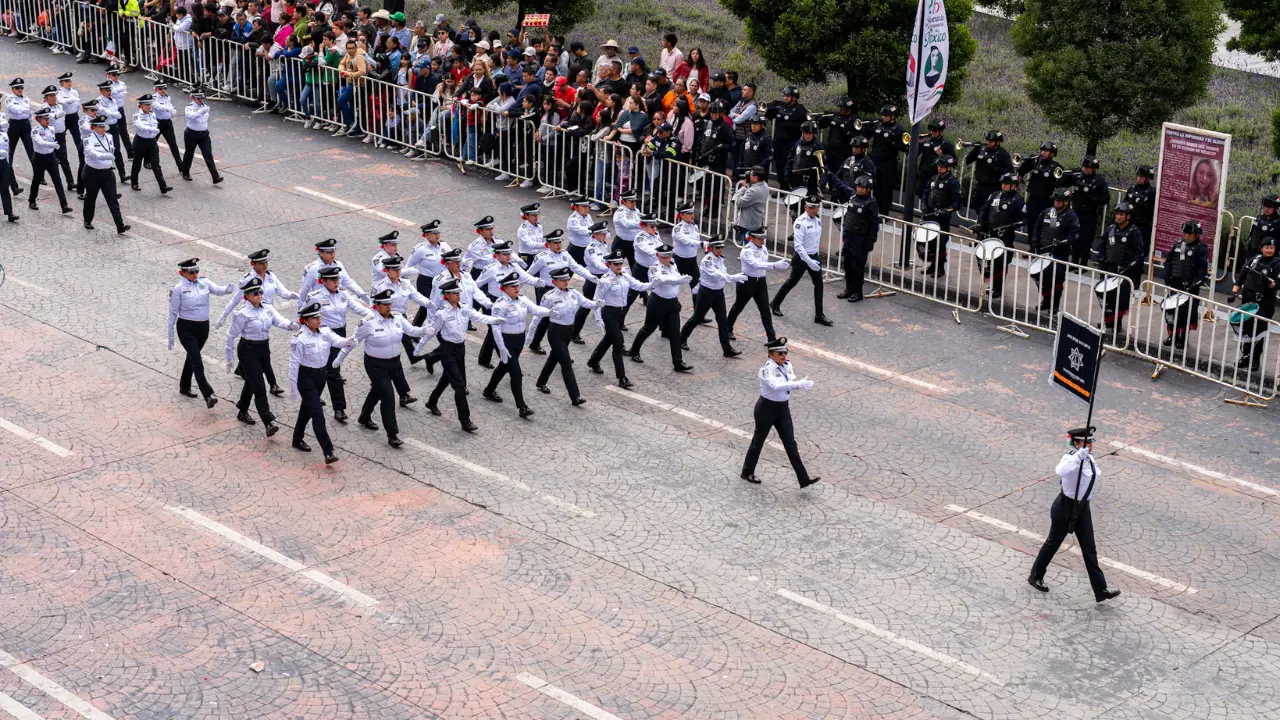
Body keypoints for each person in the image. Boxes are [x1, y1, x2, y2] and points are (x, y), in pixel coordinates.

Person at [1028, 426, 1122, 603]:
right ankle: (1035, 576)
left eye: (1090, 443)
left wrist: (1084, 456)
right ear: (1077, 443)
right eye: (1085, 443)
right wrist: (1078, 456)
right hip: (1065, 506)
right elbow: (1060, 471)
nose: (1089, 446)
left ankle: (1100, 590)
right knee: (1053, 543)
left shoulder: (1089, 458)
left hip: (1082, 508)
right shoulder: (1071, 458)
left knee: (1089, 549)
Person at [335, 289, 428, 448]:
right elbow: (352, 341)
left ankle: (364, 417)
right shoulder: (368, 322)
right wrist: (339, 359)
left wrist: (425, 330)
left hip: (394, 363)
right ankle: (392, 435)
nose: (389, 306)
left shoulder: (397, 317)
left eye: (390, 303)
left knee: (378, 391)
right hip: (375, 365)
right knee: (388, 398)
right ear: (376, 306)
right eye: (384, 304)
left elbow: (412, 331)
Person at [412, 278, 501, 432]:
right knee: (459, 386)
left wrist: (495, 320)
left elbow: (479, 317)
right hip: (447, 349)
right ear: (446, 295)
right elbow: (431, 332)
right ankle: (465, 420)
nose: (458, 295)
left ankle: (432, 401)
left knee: (447, 377)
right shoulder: (442, 314)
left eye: (458, 292)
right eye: (454, 293)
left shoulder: (465, 308)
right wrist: (418, 348)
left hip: (460, 348)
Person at [216, 248, 299, 395]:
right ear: (253, 264)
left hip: (268, 315)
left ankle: (242, 368)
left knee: (258, 348)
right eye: (261, 262)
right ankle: (273, 384)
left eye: (266, 261)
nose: (265, 265)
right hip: (251, 317)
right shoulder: (248, 280)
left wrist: (295, 295)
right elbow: (234, 301)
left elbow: (283, 293)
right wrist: (222, 317)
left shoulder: (271, 276)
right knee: (262, 352)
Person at [740, 337, 820, 488]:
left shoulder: (787, 365)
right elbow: (776, 386)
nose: (783, 356)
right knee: (759, 441)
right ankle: (747, 472)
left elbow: (788, 379)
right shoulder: (765, 370)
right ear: (770, 354)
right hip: (766, 408)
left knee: (790, 443)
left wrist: (796, 382)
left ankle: (803, 478)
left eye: (785, 352)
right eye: (779, 353)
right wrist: (798, 385)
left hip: (783, 408)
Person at [224, 276, 297, 434]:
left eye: (260, 292)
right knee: (259, 387)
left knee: (252, 381)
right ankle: (268, 421)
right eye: (255, 293)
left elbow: (279, 321)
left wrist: (290, 325)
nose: (259, 295)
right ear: (247, 296)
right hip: (248, 351)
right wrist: (229, 359)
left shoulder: (268, 308)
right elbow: (231, 335)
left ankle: (242, 409)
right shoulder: (242, 314)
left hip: (263, 349)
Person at [304, 266, 374, 423]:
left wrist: (372, 316)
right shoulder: (315, 297)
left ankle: (339, 408)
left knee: (333, 370)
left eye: (337, 279)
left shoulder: (343, 295)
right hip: (322, 335)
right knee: (321, 369)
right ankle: (315, 397)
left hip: (340, 333)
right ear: (323, 281)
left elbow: (358, 309)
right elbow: (305, 315)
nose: (336, 282)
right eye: (333, 280)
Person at [290, 302, 357, 463]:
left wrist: (350, 340)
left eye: (319, 316)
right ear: (305, 320)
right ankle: (328, 451)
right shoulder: (299, 338)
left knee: (307, 409)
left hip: (321, 375)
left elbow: (338, 341)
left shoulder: (325, 331)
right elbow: (293, 364)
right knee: (318, 414)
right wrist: (293, 388)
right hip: (306, 377)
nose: (318, 319)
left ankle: (297, 438)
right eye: (314, 317)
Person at [483, 271, 552, 418]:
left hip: (519, 340)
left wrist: (551, 312)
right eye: (512, 286)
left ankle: (489, 390)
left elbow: (536, 310)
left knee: (504, 366)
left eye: (517, 285)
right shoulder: (500, 305)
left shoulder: (522, 300)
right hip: (506, 341)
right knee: (515, 373)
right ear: (504, 288)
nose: (516, 288)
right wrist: (501, 348)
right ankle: (522, 407)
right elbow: (495, 328)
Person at [168, 258, 233, 408]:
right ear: (182, 273)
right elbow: (172, 313)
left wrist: (228, 289)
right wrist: (170, 335)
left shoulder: (205, 282)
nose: (195, 274)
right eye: (191, 272)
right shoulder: (177, 289)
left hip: (203, 328)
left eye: (197, 271)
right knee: (197, 361)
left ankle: (184, 386)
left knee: (192, 357)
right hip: (186, 328)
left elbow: (218, 290)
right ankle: (208, 394)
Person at [535, 266, 600, 403]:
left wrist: (597, 304)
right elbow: (539, 313)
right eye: (562, 280)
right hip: (556, 331)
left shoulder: (573, 293)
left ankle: (541, 382)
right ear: (554, 282)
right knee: (566, 364)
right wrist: (530, 335)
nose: (565, 282)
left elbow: (585, 302)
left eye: (566, 279)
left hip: (568, 331)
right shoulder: (549, 297)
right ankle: (575, 396)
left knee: (554, 358)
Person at [588, 250, 651, 388]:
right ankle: (622, 377)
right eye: (615, 264)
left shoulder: (625, 276)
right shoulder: (605, 280)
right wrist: (599, 321)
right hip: (609, 313)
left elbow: (639, 285)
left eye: (621, 263)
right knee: (618, 344)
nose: (619, 266)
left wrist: (654, 284)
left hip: (620, 313)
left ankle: (593, 361)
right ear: (608, 264)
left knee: (609, 339)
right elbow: (596, 302)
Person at [627, 244, 694, 370]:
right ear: (658, 256)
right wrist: (678, 280)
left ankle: (678, 362)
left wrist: (678, 281)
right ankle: (634, 350)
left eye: (668, 256)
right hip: (658, 302)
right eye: (663, 257)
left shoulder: (673, 265)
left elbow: (675, 278)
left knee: (674, 333)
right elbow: (662, 279)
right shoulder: (653, 268)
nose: (666, 259)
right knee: (648, 329)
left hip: (672, 302)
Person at [476, 241, 542, 366]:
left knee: (493, 332)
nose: (508, 256)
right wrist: (483, 301)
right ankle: (509, 363)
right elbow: (476, 285)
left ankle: (485, 359)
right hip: (494, 303)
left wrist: (538, 282)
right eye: (504, 254)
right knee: (496, 332)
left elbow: (526, 277)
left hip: (509, 302)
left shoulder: (514, 267)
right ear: (497, 255)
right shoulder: (491, 269)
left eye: (509, 253)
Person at [526, 229, 592, 353]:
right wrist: (529, 284)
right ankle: (535, 343)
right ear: (548, 244)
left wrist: (591, 277)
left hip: (562, 290)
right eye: (555, 243)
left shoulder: (565, 254)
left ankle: (561, 351)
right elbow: (528, 274)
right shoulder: (541, 257)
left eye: (560, 242)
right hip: (547, 290)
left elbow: (576, 267)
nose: (558, 245)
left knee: (561, 319)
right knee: (545, 319)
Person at [679, 236, 746, 356]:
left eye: (721, 247)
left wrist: (732, 278)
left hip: (718, 293)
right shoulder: (707, 261)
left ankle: (727, 349)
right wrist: (733, 278)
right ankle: (682, 338)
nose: (720, 250)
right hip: (707, 293)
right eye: (717, 247)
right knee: (697, 318)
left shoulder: (720, 259)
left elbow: (723, 273)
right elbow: (719, 275)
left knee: (722, 321)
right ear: (711, 248)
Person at [769, 196, 830, 324]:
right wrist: (809, 261)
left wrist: (815, 258)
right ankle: (775, 303)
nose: (814, 210)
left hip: (814, 256)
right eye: (811, 207)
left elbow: (815, 240)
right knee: (792, 282)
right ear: (805, 207)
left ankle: (819, 315)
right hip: (802, 258)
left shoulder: (817, 221)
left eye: (816, 207)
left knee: (819, 285)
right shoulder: (800, 222)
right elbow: (798, 246)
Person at [727, 227, 789, 343]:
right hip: (747, 282)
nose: (762, 240)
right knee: (738, 307)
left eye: (763, 238)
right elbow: (757, 264)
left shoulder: (763, 248)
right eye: (759, 238)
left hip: (760, 282)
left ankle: (771, 339)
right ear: (752, 238)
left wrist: (776, 266)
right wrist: (775, 265)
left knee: (765, 310)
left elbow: (764, 264)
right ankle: (727, 328)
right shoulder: (746, 251)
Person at [828, 174, 880, 302]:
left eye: (863, 187)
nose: (860, 189)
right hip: (849, 236)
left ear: (868, 189)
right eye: (859, 187)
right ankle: (848, 288)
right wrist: (829, 175)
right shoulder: (852, 195)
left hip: (861, 239)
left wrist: (871, 241)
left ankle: (858, 292)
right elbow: (840, 185)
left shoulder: (871, 203)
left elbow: (875, 224)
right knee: (847, 264)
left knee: (858, 266)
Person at [1232, 238, 1280, 372]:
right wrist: (1234, 292)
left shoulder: (1277, 263)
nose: (1269, 250)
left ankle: (1255, 360)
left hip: (1264, 302)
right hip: (1248, 299)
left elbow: (1278, 283)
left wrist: (1270, 283)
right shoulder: (1254, 260)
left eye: (1272, 248)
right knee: (1246, 329)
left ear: (1275, 249)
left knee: (1259, 331)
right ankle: (1245, 356)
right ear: (1261, 248)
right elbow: (1242, 275)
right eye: (1267, 247)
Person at [975, 173, 1026, 299]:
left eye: (1006, 183)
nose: (1003, 185)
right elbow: (984, 209)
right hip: (991, 233)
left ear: (1013, 186)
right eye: (1002, 183)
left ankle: (997, 289)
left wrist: (1012, 226)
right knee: (985, 259)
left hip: (1005, 236)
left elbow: (1024, 219)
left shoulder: (1018, 200)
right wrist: (980, 222)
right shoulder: (995, 195)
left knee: (1000, 262)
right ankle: (988, 282)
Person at [1162, 220, 1211, 350]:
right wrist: (1167, 275)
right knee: (1171, 311)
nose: (1187, 236)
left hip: (1189, 286)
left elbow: (1202, 273)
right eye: (1185, 233)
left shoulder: (1201, 249)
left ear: (1196, 235)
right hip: (1174, 283)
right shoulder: (1178, 244)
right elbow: (1168, 261)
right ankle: (1172, 335)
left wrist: (1193, 285)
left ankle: (1183, 338)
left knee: (1186, 313)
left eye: (1190, 234)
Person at [1097, 203, 1145, 331]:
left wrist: (1131, 266)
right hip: (1108, 268)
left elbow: (1139, 253)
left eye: (1121, 214)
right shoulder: (1110, 229)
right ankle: (1108, 320)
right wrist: (1101, 261)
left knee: (1119, 298)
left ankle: (1117, 323)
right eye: (1117, 214)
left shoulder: (1134, 232)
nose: (1118, 216)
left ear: (1128, 216)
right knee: (1105, 296)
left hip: (1124, 271)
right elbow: (1101, 246)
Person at [1028, 188, 1078, 311]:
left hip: (1059, 254)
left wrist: (1064, 243)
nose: (1056, 202)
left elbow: (1075, 235)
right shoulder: (1048, 212)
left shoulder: (1071, 216)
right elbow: (1037, 227)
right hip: (1044, 252)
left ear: (1066, 202)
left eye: (1059, 200)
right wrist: (1034, 241)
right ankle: (1046, 301)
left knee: (1057, 281)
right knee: (1042, 280)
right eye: (1055, 200)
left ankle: (1055, 304)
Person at [80, 116, 130, 233]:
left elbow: (111, 150)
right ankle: (87, 220)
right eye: (100, 127)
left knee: (112, 199)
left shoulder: (109, 137)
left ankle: (120, 226)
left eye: (104, 126)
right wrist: (103, 156)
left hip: (107, 173)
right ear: (94, 128)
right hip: (92, 172)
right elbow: (90, 152)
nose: (103, 128)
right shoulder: (88, 139)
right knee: (91, 198)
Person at [300, 237, 371, 309]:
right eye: (328, 252)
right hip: (322, 305)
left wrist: (363, 295)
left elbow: (348, 282)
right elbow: (304, 290)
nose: (332, 255)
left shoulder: (338, 265)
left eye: (333, 251)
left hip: (338, 303)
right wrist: (300, 310)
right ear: (321, 253)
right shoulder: (313, 269)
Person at [862, 104, 906, 215]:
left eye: (887, 115)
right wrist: (868, 127)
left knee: (885, 189)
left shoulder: (898, 129)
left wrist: (892, 143)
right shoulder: (878, 125)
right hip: (876, 160)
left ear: (893, 116)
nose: (884, 117)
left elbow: (904, 146)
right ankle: (875, 210)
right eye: (883, 115)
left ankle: (884, 213)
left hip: (888, 162)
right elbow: (866, 137)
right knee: (875, 187)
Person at [26, 108, 72, 214]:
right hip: (39, 158)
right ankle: (32, 200)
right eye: (45, 119)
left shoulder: (51, 129)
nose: (47, 120)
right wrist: (52, 144)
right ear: (39, 119)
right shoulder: (35, 130)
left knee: (58, 181)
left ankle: (64, 205)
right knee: (36, 180)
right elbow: (40, 142)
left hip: (50, 157)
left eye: (48, 118)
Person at [920, 156, 960, 276]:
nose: (939, 169)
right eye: (938, 166)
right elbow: (926, 192)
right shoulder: (933, 179)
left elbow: (957, 203)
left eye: (942, 167)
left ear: (948, 168)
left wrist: (948, 209)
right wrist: (923, 204)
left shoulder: (953, 182)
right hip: (930, 214)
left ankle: (940, 268)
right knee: (930, 242)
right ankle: (932, 265)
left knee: (940, 243)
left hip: (942, 217)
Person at [406, 219, 450, 327]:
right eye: (434, 233)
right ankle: (416, 329)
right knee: (428, 306)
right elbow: (408, 265)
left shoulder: (444, 246)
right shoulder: (420, 249)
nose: (437, 235)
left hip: (441, 281)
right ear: (426, 235)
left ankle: (439, 327)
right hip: (425, 282)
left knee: (443, 304)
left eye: (438, 233)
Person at [763, 87, 807, 190]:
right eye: (785, 96)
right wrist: (770, 107)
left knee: (788, 164)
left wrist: (789, 125)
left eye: (788, 96)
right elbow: (769, 115)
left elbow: (803, 125)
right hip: (779, 141)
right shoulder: (781, 106)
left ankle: (789, 186)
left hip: (791, 141)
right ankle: (782, 186)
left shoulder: (800, 109)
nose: (785, 98)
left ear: (794, 97)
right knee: (779, 164)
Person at [1069, 157, 1109, 265]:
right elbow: (1064, 182)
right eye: (1084, 167)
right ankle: (1074, 261)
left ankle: (1083, 262)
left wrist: (1093, 199)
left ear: (1094, 169)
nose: (1085, 169)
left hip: (1089, 213)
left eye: (1088, 168)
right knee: (1075, 236)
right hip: (1076, 211)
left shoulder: (1099, 181)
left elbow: (1105, 198)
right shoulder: (1077, 177)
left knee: (1086, 238)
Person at [129, 95, 172, 194]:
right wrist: (151, 129)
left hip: (152, 142)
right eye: (146, 104)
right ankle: (134, 182)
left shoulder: (152, 114)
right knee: (137, 163)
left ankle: (163, 187)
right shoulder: (136, 116)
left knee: (156, 165)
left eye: (150, 104)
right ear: (140, 105)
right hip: (140, 142)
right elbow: (139, 126)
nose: (149, 106)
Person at [964, 129, 1012, 216]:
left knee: (988, 210)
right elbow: (968, 160)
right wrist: (975, 149)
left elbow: (1009, 170)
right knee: (977, 207)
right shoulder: (981, 149)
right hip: (980, 185)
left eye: (991, 141)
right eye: (987, 140)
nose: (988, 142)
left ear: (997, 142)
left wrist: (996, 168)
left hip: (993, 187)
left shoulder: (1002, 153)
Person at [1018, 141, 1062, 232]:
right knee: (1031, 224)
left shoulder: (1056, 167)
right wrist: (1027, 162)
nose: (1043, 153)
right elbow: (1020, 171)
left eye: (1046, 151)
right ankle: (1031, 245)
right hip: (1033, 199)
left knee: (1045, 226)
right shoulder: (1035, 162)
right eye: (1042, 151)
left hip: (1046, 200)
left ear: (1052, 153)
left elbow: (1061, 183)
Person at [181, 92, 223, 184]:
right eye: (198, 98)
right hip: (191, 134)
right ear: (192, 98)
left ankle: (215, 177)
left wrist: (203, 111)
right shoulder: (189, 107)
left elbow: (204, 119)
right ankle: (185, 172)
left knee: (208, 155)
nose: (200, 100)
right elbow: (191, 117)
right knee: (189, 153)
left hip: (203, 135)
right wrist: (202, 111)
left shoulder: (204, 106)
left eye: (201, 98)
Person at [39, 86, 73, 195]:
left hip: (61, 136)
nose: (54, 97)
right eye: (51, 96)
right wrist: (57, 115)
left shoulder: (59, 106)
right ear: (46, 97)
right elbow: (50, 117)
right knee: (47, 159)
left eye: (54, 95)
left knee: (64, 159)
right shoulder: (44, 108)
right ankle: (40, 177)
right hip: (51, 137)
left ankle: (70, 182)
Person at [94, 81, 127, 183]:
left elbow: (117, 112)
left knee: (117, 150)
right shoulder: (97, 102)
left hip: (114, 127)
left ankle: (123, 174)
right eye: (107, 90)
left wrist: (115, 114)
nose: (109, 92)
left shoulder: (113, 100)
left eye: (110, 89)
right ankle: (102, 175)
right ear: (101, 91)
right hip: (105, 129)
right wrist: (114, 114)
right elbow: (104, 112)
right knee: (105, 151)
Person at [5, 78, 34, 193]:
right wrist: (24, 110)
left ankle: (39, 177)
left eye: (21, 87)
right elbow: (15, 110)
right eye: (17, 88)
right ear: (12, 89)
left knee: (32, 152)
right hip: (14, 126)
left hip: (26, 125)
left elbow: (29, 113)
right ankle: (14, 186)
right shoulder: (9, 99)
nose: (20, 90)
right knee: (9, 155)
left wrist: (24, 112)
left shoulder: (27, 99)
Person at [55, 74, 83, 191]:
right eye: (66, 81)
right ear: (61, 83)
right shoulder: (58, 93)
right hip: (64, 118)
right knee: (59, 139)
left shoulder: (74, 92)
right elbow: (63, 103)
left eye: (69, 80)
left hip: (74, 117)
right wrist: (71, 100)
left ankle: (83, 155)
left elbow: (76, 106)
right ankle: (56, 155)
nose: (69, 83)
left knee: (79, 140)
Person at [818, 97, 857, 176]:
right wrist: (821, 119)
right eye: (840, 108)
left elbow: (855, 134)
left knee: (840, 173)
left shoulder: (854, 119)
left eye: (842, 108)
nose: (840, 109)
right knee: (829, 171)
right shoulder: (835, 115)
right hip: (831, 149)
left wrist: (843, 128)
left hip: (843, 150)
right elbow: (823, 125)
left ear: (848, 109)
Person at [731, 166, 768, 245]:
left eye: (750, 174)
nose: (748, 175)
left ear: (756, 178)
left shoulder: (753, 191)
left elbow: (739, 202)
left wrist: (743, 188)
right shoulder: (764, 185)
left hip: (749, 224)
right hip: (756, 220)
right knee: (753, 245)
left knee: (748, 245)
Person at [151, 82, 184, 170]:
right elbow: (157, 107)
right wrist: (169, 109)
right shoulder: (153, 98)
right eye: (160, 89)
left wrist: (171, 112)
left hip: (167, 123)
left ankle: (180, 165)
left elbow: (168, 109)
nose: (163, 91)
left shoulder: (168, 98)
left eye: (164, 88)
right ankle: (147, 161)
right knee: (152, 143)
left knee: (173, 144)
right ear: (156, 89)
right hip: (157, 123)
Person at [786, 121, 824, 197]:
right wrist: (787, 171)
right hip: (796, 177)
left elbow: (822, 164)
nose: (808, 136)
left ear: (813, 134)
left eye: (810, 134)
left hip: (810, 179)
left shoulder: (818, 146)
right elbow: (790, 158)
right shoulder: (798, 144)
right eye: (806, 133)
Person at [915, 119, 953, 194]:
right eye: (931, 131)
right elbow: (915, 153)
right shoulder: (926, 141)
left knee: (934, 196)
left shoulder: (946, 144)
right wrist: (919, 144)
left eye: (935, 131)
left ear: (941, 132)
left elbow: (953, 160)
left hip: (937, 174)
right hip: (924, 172)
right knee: (922, 194)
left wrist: (941, 155)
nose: (932, 133)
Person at [1123, 165, 1156, 251]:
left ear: (1148, 178)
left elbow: (1153, 210)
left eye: (1141, 177)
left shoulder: (1152, 192)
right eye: (1138, 176)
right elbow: (1125, 203)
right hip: (1129, 224)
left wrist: (1141, 205)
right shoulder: (1132, 189)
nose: (1139, 179)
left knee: (1140, 251)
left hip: (1143, 227)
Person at [672, 204, 703, 289]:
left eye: (692, 213)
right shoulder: (677, 228)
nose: (692, 215)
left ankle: (697, 302)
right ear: (682, 215)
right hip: (679, 260)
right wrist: (701, 244)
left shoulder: (695, 226)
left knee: (697, 287)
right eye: (689, 213)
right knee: (671, 286)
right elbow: (686, 241)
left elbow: (695, 242)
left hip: (692, 260)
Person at [0, 118, 13, 222]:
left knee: (5, 188)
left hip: (4, 163)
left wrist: (8, 164)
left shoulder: (4, 135)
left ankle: (9, 213)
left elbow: (7, 150)